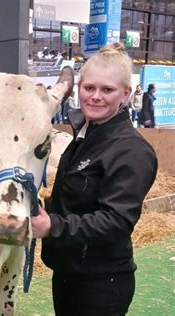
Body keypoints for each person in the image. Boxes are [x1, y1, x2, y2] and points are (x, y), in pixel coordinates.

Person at [31, 43, 158, 316]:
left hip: (101, 282)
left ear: (125, 94)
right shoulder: (86, 135)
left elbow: (116, 222)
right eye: (89, 88)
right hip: (68, 271)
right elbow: (76, 198)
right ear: (79, 89)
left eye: (107, 90)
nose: (96, 97)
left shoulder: (131, 151)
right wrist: (42, 206)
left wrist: (52, 226)